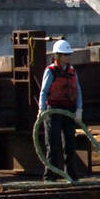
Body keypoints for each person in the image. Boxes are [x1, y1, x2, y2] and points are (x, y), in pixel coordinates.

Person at [38, 39, 84, 180]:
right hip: (53, 111)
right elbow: (44, 91)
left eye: (69, 54)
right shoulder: (50, 71)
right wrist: (42, 109)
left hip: (68, 110)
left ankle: (71, 175)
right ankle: (50, 176)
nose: (68, 57)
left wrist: (79, 110)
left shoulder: (71, 71)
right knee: (53, 144)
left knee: (69, 144)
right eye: (65, 54)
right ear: (57, 55)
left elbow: (78, 90)